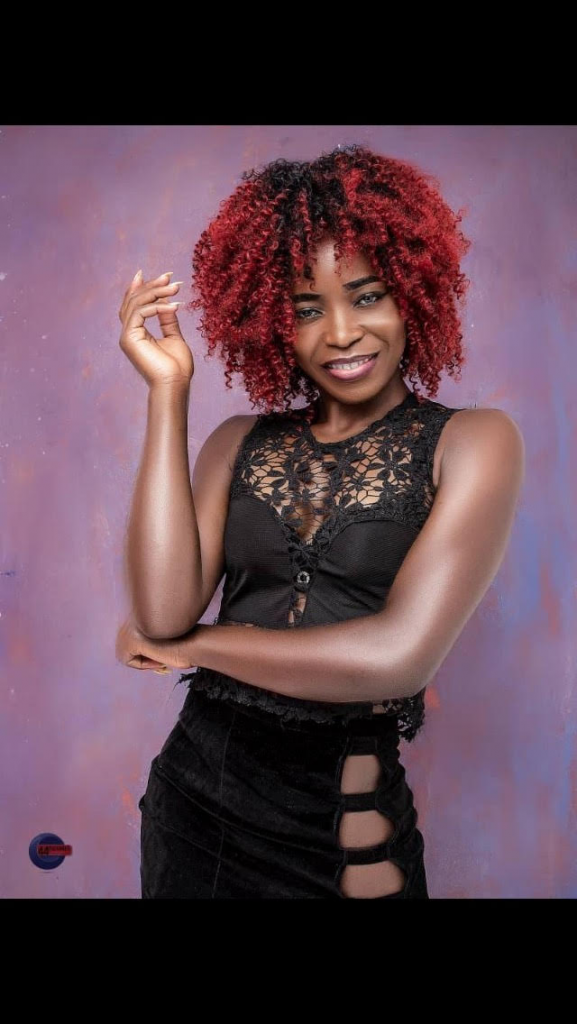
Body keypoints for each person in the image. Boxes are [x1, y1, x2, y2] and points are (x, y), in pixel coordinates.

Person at [116, 143, 525, 899]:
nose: (339, 332)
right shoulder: (238, 441)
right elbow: (160, 609)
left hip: (344, 833)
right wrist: (168, 393)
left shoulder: (473, 442)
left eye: (367, 296)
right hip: (193, 815)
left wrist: (194, 647)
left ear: (412, 295)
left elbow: (397, 658)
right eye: (307, 310)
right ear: (274, 322)